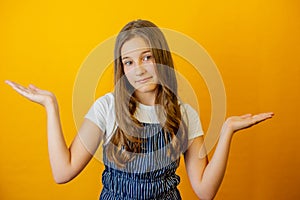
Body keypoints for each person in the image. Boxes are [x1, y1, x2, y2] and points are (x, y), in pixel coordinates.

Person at [5, 19, 273, 200]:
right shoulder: (107, 108)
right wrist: (51, 106)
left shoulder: (184, 114)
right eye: (129, 62)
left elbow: (205, 191)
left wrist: (226, 131)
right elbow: (63, 173)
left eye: (147, 57)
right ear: (122, 68)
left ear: (161, 59)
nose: (139, 69)